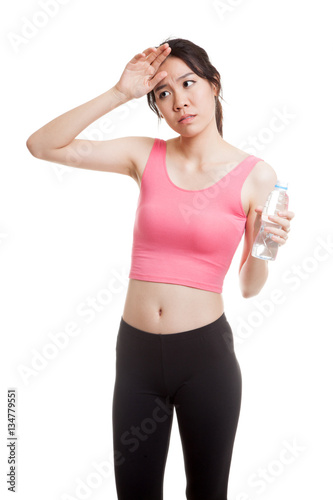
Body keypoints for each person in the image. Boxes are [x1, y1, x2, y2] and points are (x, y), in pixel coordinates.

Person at [26, 37, 295, 500]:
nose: (179, 101)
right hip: (137, 359)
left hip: (206, 359)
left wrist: (268, 245)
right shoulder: (143, 155)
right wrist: (119, 92)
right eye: (164, 93)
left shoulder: (257, 175)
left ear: (213, 85)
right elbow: (42, 145)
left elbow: (250, 287)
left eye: (189, 83)